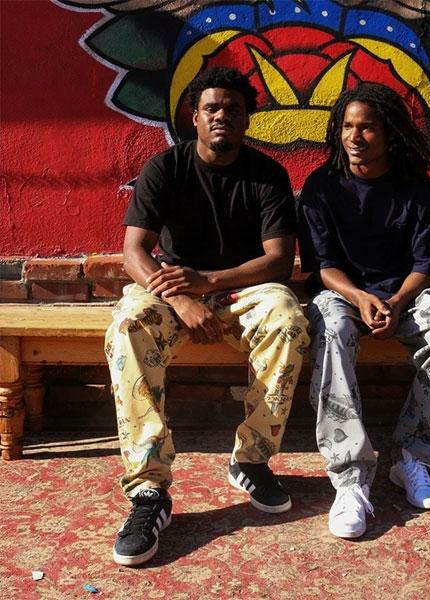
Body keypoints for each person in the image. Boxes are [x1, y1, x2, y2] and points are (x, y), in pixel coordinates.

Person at [104, 67, 309, 566]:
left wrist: (208, 282)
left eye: (233, 109)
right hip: (171, 291)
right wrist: (181, 298)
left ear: (247, 119)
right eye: (211, 108)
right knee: (129, 323)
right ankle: (149, 488)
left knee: (287, 318)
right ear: (194, 117)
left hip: (240, 291)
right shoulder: (164, 168)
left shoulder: (267, 175)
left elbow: (279, 261)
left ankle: (252, 458)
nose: (222, 116)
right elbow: (134, 252)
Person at [298, 83, 430, 539]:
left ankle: (413, 457)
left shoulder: (415, 187)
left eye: (367, 127)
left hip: (405, 295)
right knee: (333, 332)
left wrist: (395, 303)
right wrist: (360, 297)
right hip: (342, 292)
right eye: (347, 126)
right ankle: (350, 477)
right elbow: (322, 267)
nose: (354, 137)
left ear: (390, 134)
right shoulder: (322, 186)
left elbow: (424, 266)